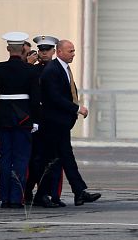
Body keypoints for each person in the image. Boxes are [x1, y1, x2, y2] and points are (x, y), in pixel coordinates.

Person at [38, 39, 101, 206]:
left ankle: (78, 192)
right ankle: (41, 194)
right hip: (52, 123)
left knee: (65, 157)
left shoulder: (63, 68)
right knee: (50, 159)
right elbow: (54, 97)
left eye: (73, 51)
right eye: (70, 51)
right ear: (59, 52)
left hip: (61, 123)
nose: (73, 54)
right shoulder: (52, 70)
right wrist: (76, 108)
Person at [0, 31, 41, 208]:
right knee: (21, 159)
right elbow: (35, 98)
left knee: (5, 158)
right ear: (24, 50)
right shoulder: (31, 71)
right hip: (24, 119)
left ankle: (5, 198)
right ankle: (17, 198)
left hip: (3, 118)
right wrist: (36, 120)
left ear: (8, 48)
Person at [24, 35, 66, 208]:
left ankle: (52, 194)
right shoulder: (33, 70)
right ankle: (30, 192)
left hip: (54, 121)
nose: (43, 53)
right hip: (37, 122)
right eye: (41, 50)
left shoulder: (59, 70)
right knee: (36, 160)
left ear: (53, 51)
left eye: (47, 50)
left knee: (55, 160)